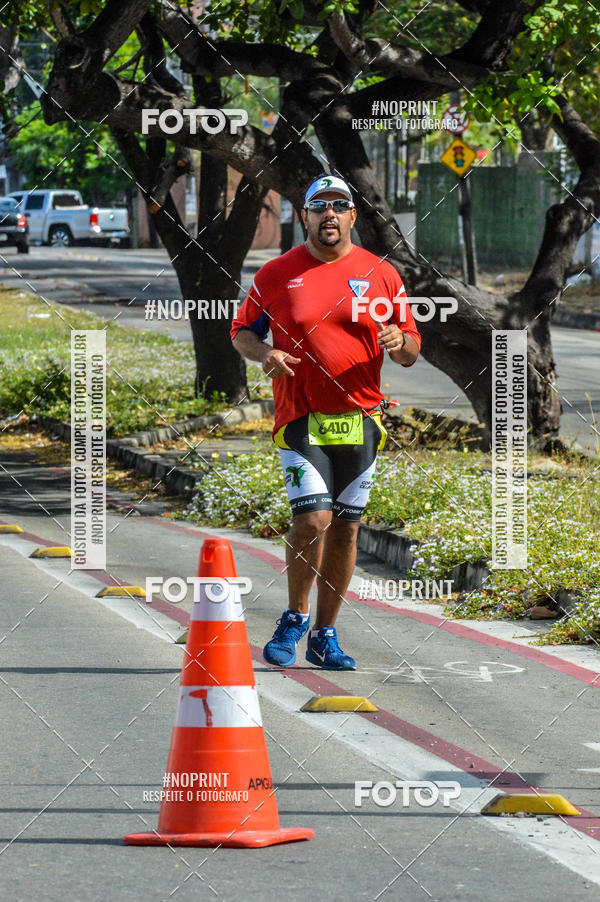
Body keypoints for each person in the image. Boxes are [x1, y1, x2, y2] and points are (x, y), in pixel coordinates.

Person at [231, 174, 421, 670]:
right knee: (313, 520)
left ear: (353, 216)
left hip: (362, 417)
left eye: (339, 206)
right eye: (320, 207)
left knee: (346, 530)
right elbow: (241, 331)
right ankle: (295, 617)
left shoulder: (381, 274)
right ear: (306, 216)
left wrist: (400, 342)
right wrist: (265, 352)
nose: (329, 215)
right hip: (301, 416)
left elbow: (410, 348)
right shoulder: (277, 273)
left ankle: (324, 635)